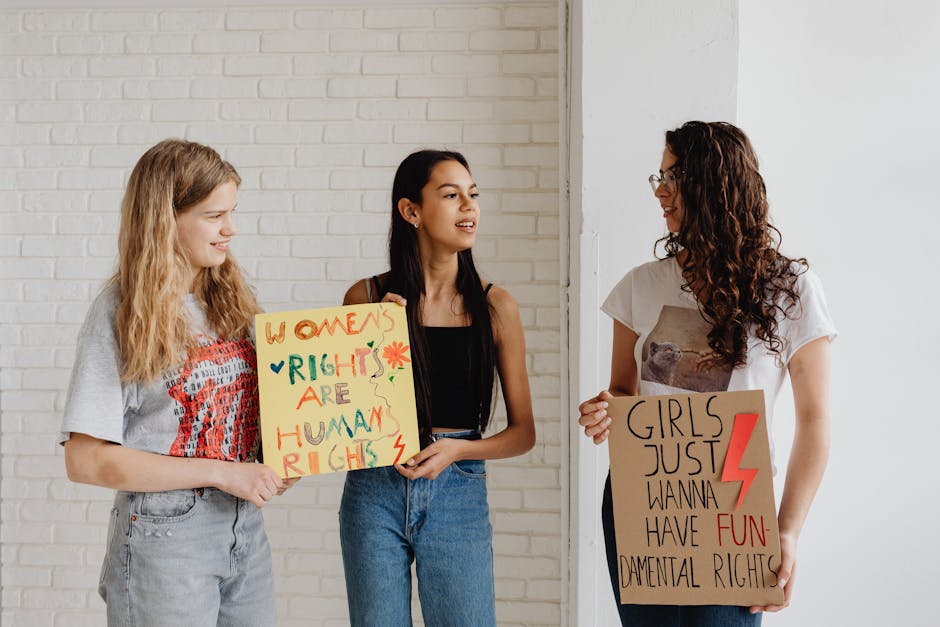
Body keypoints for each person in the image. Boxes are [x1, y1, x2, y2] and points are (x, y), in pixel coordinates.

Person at [577, 121, 836, 626]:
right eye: (659, 176)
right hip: (644, 502)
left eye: (673, 177)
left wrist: (787, 529)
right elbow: (624, 392)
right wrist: (606, 410)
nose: (660, 191)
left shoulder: (790, 289)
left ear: (715, 185)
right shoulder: (639, 286)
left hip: (736, 511)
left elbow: (816, 421)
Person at [59, 139, 294, 627]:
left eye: (231, 212)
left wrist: (278, 463)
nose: (230, 229)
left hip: (243, 530)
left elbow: (263, 419)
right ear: (166, 220)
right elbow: (84, 459)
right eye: (214, 216)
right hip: (166, 539)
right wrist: (223, 472)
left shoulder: (232, 304)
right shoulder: (119, 313)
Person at [339, 149, 536, 626]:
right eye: (451, 195)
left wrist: (455, 451)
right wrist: (377, 339)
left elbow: (524, 433)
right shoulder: (364, 298)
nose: (468, 207)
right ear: (411, 211)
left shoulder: (496, 306)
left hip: (458, 491)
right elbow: (343, 417)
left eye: (473, 195)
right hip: (374, 491)